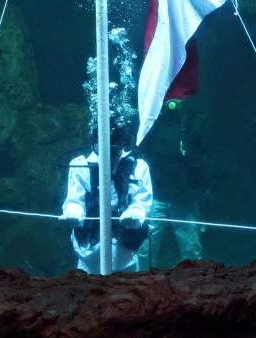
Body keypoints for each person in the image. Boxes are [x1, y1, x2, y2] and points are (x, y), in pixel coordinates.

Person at [58, 124, 153, 274]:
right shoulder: (80, 165)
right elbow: (75, 199)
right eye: (101, 149)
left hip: (125, 254)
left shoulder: (138, 166)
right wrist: (74, 212)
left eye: (113, 150)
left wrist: (135, 214)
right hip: (89, 253)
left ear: (124, 144)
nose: (107, 156)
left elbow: (141, 201)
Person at [138, 99, 206, 270]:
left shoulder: (192, 125)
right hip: (156, 195)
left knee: (190, 247)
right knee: (146, 247)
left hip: (183, 197)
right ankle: (142, 282)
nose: (172, 103)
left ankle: (194, 283)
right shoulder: (153, 123)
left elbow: (204, 156)